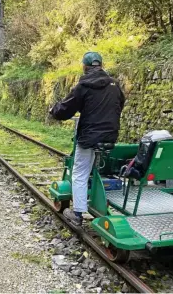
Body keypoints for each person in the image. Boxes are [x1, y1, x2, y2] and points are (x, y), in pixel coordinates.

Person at [49, 52, 125, 225]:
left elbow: (66, 109)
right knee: (98, 165)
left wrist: (53, 111)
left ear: (85, 66)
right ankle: (98, 196)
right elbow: (120, 104)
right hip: (110, 134)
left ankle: (77, 214)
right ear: (101, 65)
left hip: (89, 136)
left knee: (79, 173)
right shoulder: (115, 84)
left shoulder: (83, 86)